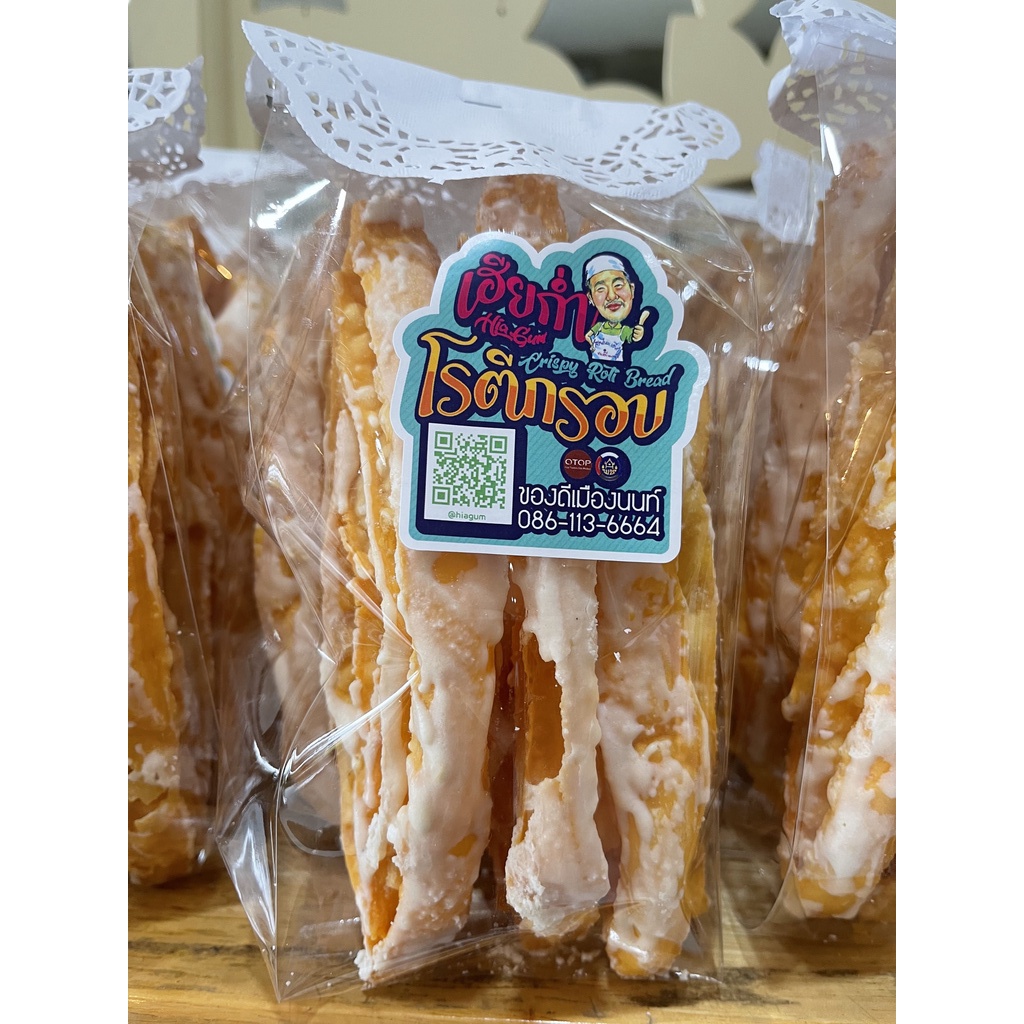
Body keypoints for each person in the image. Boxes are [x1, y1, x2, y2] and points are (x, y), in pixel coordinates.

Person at [582, 253, 651, 362]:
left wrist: (639, 333)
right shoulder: (599, 327)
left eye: (618, 285)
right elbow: (587, 336)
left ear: (632, 290)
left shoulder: (624, 331)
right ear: (591, 298)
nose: (611, 296)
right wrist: (592, 345)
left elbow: (634, 336)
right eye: (600, 289)